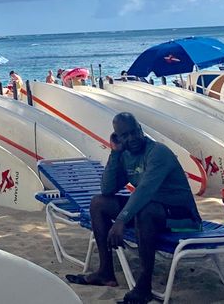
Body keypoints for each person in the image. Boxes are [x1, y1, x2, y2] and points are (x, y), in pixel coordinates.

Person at [66, 112, 199, 302]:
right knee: (98, 203)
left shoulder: (158, 152)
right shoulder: (125, 155)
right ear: (118, 138)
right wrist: (115, 152)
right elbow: (107, 189)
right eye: (125, 135)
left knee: (145, 211)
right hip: (152, 209)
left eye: (135, 132)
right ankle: (105, 272)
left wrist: (121, 220)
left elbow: (145, 190)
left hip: (183, 216)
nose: (133, 138)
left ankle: (144, 286)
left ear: (141, 130)